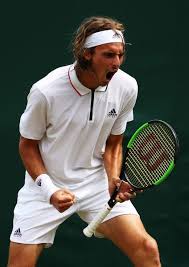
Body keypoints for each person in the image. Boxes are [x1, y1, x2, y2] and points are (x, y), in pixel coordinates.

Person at [7, 16, 161, 267]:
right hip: (46, 184)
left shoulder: (126, 86)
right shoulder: (46, 91)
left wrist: (113, 179)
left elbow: (113, 143)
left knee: (147, 248)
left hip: (96, 182)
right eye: (108, 55)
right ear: (87, 54)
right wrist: (50, 190)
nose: (117, 64)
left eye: (120, 55)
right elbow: (27, 145)